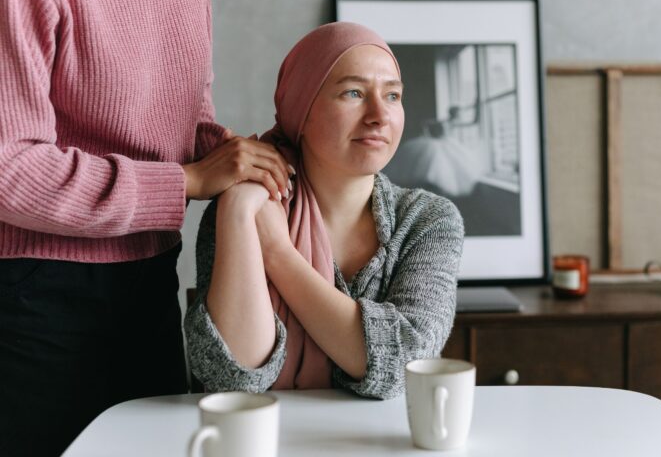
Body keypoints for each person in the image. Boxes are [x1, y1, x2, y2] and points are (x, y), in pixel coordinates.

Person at [0, 0, 291, 455]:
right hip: (36, 290)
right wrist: (188, 181)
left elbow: (185, 114)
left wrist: (242, 155)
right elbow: (11, 171)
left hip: (152, 269)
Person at [185, 22, 465, 399]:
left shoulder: (429, 221)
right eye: (353, 93)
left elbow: (405, 365)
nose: (379, 115)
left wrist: (278, 254)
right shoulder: (245, 206)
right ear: (301, 109)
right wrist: (236, 207)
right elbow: (232, 379)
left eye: (393, 96)